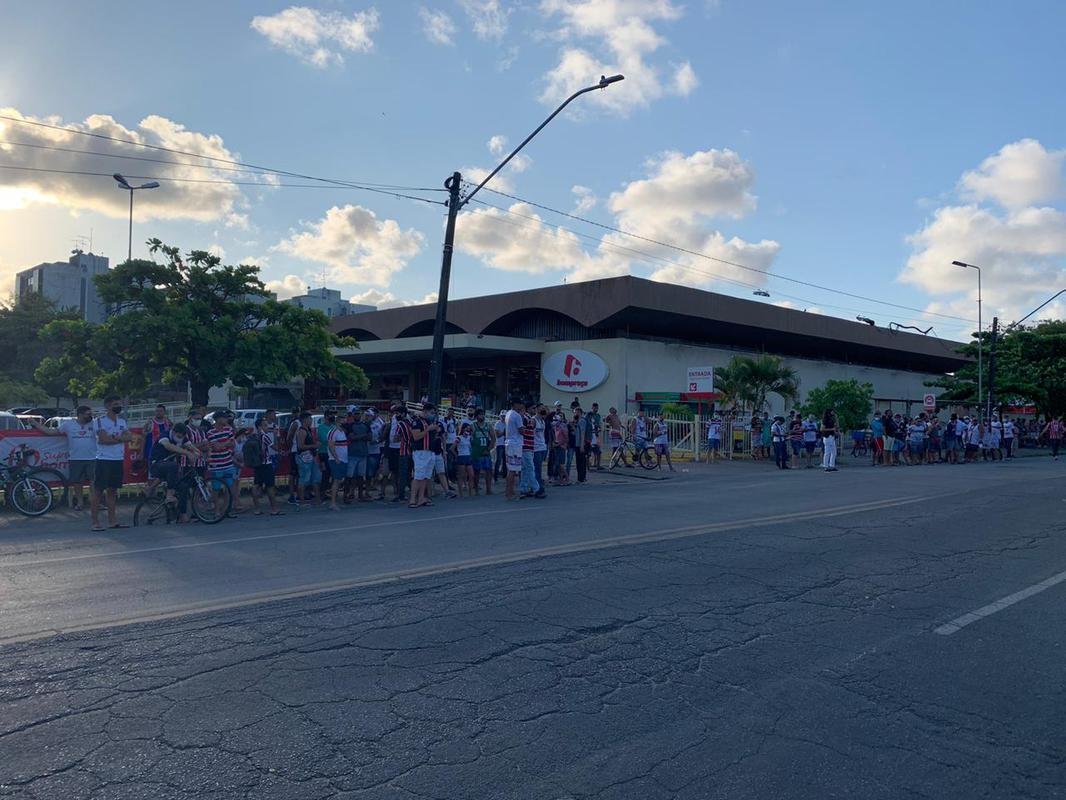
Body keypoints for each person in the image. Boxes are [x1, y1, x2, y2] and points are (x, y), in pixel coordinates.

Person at [31, 405, 96, 510]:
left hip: (93, 458)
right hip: (75, 458)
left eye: (91, 414)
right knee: (77, 482)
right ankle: (80, 503)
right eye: (88, 414)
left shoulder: (95, 424)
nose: (90, 416)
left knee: (95, 481)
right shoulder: (68, 425)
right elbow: (51, 432)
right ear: (80, 414)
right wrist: (36, 424)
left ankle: (94, 502)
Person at [91, 396, 132, 531]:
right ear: (108, 406)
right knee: (98, 491)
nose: (118, 406)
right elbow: (103, 440)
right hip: (103, 459)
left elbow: (129, 437)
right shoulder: (99, 421)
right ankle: (95, 522)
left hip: (117, 459)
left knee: (112, 491)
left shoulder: (122, 421)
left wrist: (116, 438)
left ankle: (112, 521)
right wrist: (120, 439)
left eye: (119, 404)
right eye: (115, 404)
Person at [148, 422, 201, 507]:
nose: (181, 439)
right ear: (173, 432)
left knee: (184, 487)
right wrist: (187, 453)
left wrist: (197, 453)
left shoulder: (183, 438)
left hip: (168, 467)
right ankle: (169, 495)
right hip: (156, 464)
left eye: (183, 436)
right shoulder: (164, 435)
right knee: (173, 466)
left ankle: (182, 516)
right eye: (179, 436)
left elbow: (192, 447)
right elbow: (168, 446)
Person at [207, 410, 243, 516]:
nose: (227, 420)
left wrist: (222, 444)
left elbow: (232, 444)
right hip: (216, 465)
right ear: (218, 419)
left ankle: (227, 508)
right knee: (216, 488)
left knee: (230, 486)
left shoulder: (229, 429)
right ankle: (217, 509)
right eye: (224, 418)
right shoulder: (210, 432)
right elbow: (216, 446)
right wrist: (225, 444)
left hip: (227, 462)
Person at [245, 416, 282, 516]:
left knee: (256, 485)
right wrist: (275, 436)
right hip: (266, 464)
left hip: (258, 464)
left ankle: (257, 508)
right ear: (260, 427)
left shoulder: (254, 436)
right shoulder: (264, 436)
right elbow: (275, 447)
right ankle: (274, 508)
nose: (267, 427)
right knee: (270, 487)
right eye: (265, 425)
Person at [408, 405, 437, 508]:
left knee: (426, 476)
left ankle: (421, 498)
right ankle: (412, 499)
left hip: (430, 451)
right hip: (420, 452)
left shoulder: (430, 422)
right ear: (425, 411)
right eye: (432, 412)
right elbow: (416, 437)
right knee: (418, 476)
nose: (433, 415)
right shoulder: (417, 422)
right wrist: (428, 430)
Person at [294, 412, 321, 505]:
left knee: (315, 479)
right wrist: (314, 445)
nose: (311, 421)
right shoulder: (302, 431)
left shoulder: (308, 430)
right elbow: (300, 446)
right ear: (305, 420)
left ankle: (318, 500)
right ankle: (301, 501)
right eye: (310, 419)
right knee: (304, 479)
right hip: (304, 458)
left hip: (311, 456)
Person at [503, 397, 525, 501]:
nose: (521, 406)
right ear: (515, 404)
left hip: (509, 442)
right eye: (519, 404)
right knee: (513, 470)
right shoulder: (517, 415)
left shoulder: (508, 413)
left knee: (510, 469)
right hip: (515, 444)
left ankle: (509, 491)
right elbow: (521, 430)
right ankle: (510, 493)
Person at [470, 408, 495, 495]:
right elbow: (469, 438)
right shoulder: (473, 426)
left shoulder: (488, 426)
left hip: (486, 452)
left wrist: (488, 449)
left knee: (488, 471)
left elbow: (493, 439)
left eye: (483, 414)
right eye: (480, 414)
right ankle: (476, 489)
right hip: (476, 452)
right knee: (476, 472)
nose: (482, 416)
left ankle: (488, 489)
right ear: (476, 416)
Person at [518, 405, 536, 498]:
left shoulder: (528, 418)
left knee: (525, 469)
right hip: (525, 446)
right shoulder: (524, 418)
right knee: (530, 468)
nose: (535, 410)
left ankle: (523, 489)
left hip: (529, 445)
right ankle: (536, 488)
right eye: (533, 408)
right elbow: (522, 431)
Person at [532, 404, 548, 498]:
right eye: (541, 408)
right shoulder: (533, 420)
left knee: (539, 469)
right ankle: (539, 490)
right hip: (536, 448)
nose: (543, 409)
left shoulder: (542, 421)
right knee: (537, 469)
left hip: (542, 447)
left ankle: (537, 487)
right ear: (537, 409)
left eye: (544, 408)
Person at [455, 421, 475, 497]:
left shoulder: (469, 438)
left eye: (468, 429)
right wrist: (456, 455)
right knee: (461, 475)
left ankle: (470, 492)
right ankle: (461, 493)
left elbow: (471, 446)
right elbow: (452, 448)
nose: (467, 430)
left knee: (471, 475)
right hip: (461, 456)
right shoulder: (459, 438)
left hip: (468, 456)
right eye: (466, 429)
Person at [574, 406, 593, 483]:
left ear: (580, 413)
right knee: (579, 461)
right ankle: (581, 477)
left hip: (580, 444)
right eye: (575, 412)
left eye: (577, 412)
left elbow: (582, 433)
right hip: (577, 444)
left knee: (581, 462)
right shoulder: (577, 421)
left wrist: (582, 445)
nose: (575, 414)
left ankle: (581, 478)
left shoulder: (582, 421)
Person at [587, 402, 603, 470]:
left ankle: (597, 465)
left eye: (597, 408)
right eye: (595, 408)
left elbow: (598, 424)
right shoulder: (589, 415)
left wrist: (599, 427)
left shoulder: (598, 415)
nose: (596, 409)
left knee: (598, 451)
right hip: (590, 436)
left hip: (595, 435)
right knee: (588, 452)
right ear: (592, 407)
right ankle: (588, 465)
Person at [493, 411, 507, 482]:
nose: (503, 417)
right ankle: (495, 476)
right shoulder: (497, 423)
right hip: (499, 444)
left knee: (505, 461)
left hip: (506, 444)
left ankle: (505, 475)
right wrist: (504, 433)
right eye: (502, 416)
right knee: (498, 461)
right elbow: (497, 435)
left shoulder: (507, 423)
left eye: (504, 416)